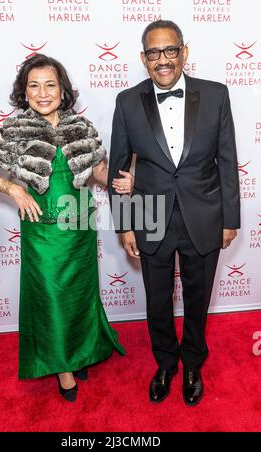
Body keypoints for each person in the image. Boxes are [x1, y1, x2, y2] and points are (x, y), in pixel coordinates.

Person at [0, 54, 134, 402]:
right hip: (43, 232)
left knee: (80, 296)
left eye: (50, 85)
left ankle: (82, 351)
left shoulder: (80, 127)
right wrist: (13, 189)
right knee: (53, 299)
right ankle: (62, 367)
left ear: (63, 90)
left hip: (80, 227)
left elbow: (98, 172)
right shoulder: (16, 130)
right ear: (24, 93)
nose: (43, 93)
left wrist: (122, 181)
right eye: (34, 86)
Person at [108, 20, 240, 406]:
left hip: (205, 214)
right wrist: (126, 224)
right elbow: (119, 168)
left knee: (198, 299)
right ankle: (165, 364)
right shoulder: (127, 101)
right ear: (143, 58)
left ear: (184, 51)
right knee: (157, 300)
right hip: (150, 214)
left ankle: (193, 363)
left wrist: (230, 218)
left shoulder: (216, 95)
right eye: (153, 52)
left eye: (170, 50)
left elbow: (228, 161)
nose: (162, 59)